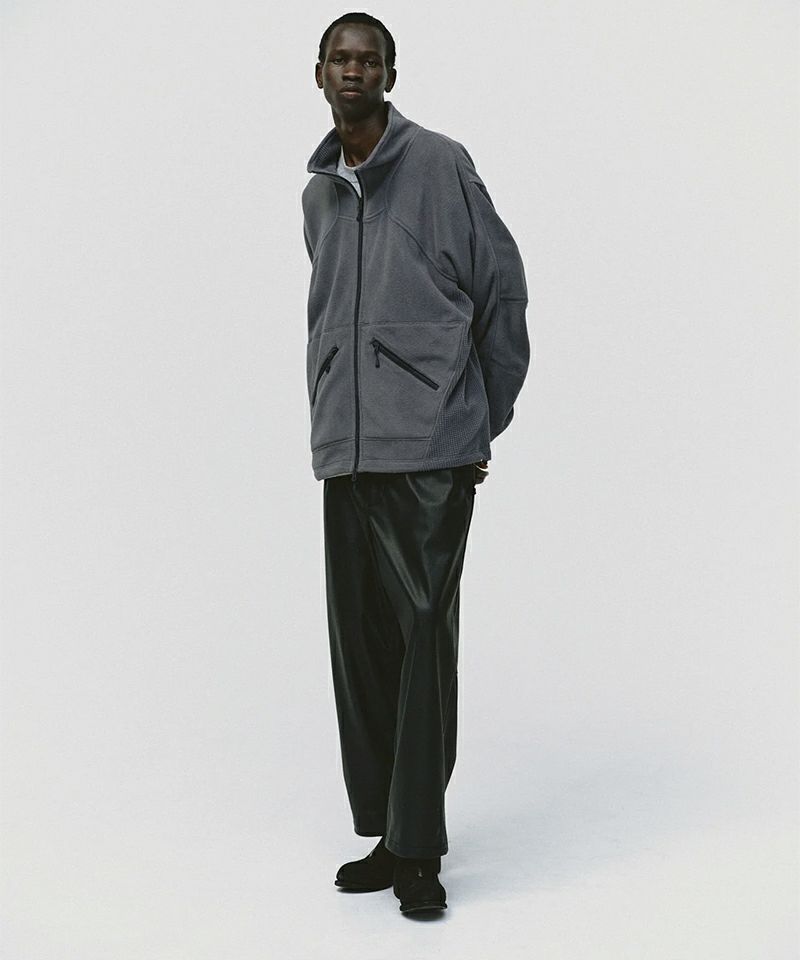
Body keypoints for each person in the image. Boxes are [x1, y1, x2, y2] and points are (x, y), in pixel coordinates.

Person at [301, 12, 531, 914]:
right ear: (318, 73)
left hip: (430, 451)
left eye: (370, 59)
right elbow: (327, 314)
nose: (354, 70)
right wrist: (330, 415)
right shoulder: (318, 194)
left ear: (391, 74)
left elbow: (501, 290)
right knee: (363, 650)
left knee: (424, 638)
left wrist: (476, 422)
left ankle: (422, 851)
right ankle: (389, 837)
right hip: (348, 451)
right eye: (340, 57)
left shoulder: (440, 164)